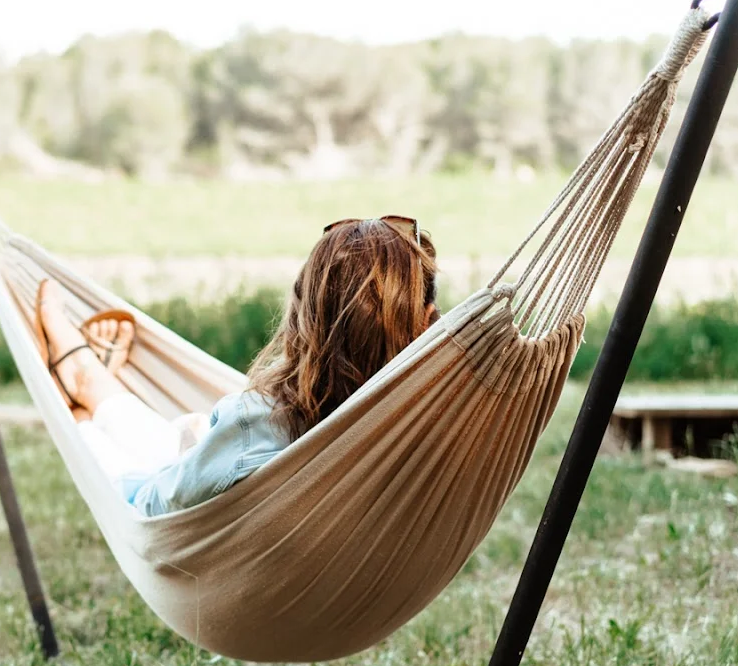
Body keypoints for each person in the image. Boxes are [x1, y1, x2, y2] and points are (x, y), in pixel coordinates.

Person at [39, 216, 441, 517]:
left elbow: (156, 506)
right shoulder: (434, 429)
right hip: (230, 479)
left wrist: (195, 451)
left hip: (164, 492)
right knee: (183, 441)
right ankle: (92, 384)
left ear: (305, 316)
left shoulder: (260, 426)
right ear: (429, 320)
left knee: (152, 458)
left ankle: (78, 401)